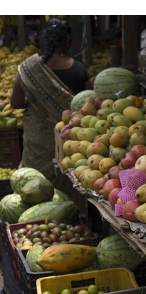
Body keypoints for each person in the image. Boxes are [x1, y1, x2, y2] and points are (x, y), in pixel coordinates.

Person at [10, 17, 93, 182]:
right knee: (68, 181)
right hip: (70, 138)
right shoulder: (78, 69)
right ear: (66, 42)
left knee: (34, 182)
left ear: (45, 42)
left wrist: (37, 103)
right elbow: (90, 103)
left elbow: (16, 103)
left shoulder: (29, 69)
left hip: (37, 139)